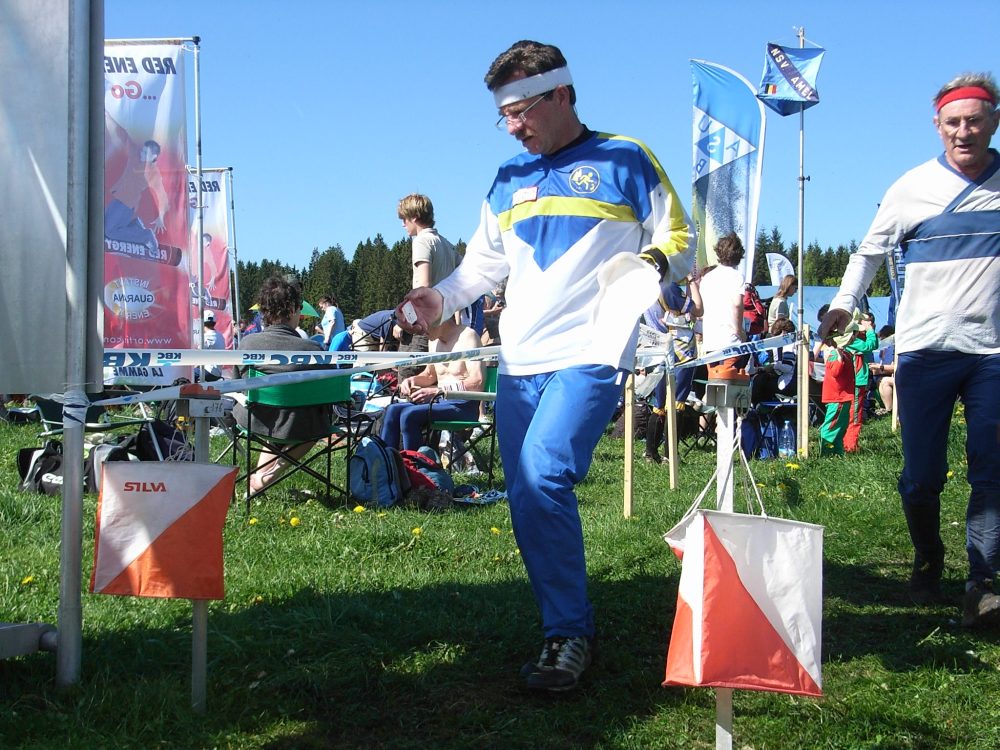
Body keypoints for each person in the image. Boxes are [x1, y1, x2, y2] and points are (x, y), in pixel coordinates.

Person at [394, 40, 695, 691]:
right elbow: (481, 267)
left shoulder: (627, 157)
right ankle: (564, 624)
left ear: (561, 94)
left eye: (520, 111)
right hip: (519, 362)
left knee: (543, 472)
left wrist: (648, 266)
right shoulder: (508, 178)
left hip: (590, 353)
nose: (511, 127)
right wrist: (438, 298)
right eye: (503, 115)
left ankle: (569, 634)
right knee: (527, 495)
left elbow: (681, 239)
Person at [820, 73, 1000, 627]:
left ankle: (982, 584)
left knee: (992, 472)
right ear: (937, 126)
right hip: (924, 351)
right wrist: (844, 304)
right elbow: (868, 252)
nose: (964, 132)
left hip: (993, 355)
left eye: (974, 121)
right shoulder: (911, 188)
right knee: (922, 475)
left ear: (993, 121)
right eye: (953, 122)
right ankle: (928, 558)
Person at [232, 277, 334, 496]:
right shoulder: (313, 349)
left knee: (277, 415)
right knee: (309, 419)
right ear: (292, 309)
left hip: (255, 419)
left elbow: (238, 384)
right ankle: (269, 475)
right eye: (299, 309)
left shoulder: (246, 344)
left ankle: (257, 481)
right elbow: (329, 390)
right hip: (300, 425)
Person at [379, 317, 484, 451]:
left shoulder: (468, 337)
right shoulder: (433, 340)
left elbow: (477, 382)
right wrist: (411, 381)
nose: (421, 330)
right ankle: (386, 461)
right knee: (392, 410)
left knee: (409, 415)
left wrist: (438, 391)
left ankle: (415, 463)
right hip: (439, 401)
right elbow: (429, 375)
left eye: (423, 324)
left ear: (440, 318)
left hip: (463, 405)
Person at [643, 277, 702, 464]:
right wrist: (692, 281)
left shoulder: (651, 287)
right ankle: (670, 454)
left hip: (661, 346)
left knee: (659, 402)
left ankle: (651, 452)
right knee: (677, 402)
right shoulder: (669, 288)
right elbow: (699, 309)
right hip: (680, 349)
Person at [104, 112, 172, 259]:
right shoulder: (135, 155)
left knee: (109, 231)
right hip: (118, 199)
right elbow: (124, 136)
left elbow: (162, 196)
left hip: (127, 204)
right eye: (143, 151)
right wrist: (108, 116)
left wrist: (161, 216)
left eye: (146, 153)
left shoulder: (154, 173)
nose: (142, 153)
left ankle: (145, 236)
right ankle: (134, 225)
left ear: (154, 157)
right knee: (102, 225)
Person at [699, 233, 748, 380]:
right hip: (730, 339)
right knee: (732, 383)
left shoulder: (707, 278)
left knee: (714, 382)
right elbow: (737, 305)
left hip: (711, 339)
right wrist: (739, 330)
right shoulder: (736, 276)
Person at [843, 311, 878, 452]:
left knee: (851, 413)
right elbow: (870, 346)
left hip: (854, 380)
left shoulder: (853, 337)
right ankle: (850, 446)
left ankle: (847, 444)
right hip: (856, 381)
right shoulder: (850, 339)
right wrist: (870, 330)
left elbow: (873, 344)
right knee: (854, 415)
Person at [198, 309, 226, 381]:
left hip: (209, 372)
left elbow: (197, 357)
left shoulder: (205, 337)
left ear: (202, 323)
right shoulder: (220, 336)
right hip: (218, 372)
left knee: (187, 377)